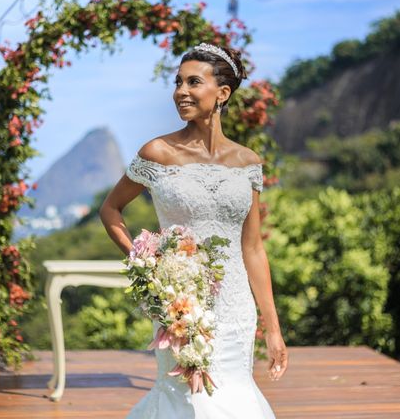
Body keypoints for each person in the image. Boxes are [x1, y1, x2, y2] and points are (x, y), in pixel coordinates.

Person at [100, 42, 288, 418]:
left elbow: (252, 249)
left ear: (222, 94)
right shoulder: (157, 152)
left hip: (236, 308)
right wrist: (147, 264)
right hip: (179, 304)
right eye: (177, 82)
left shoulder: (248, 163)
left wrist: (273, 328)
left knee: (234, 396)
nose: (181, 92)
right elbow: (111, 210)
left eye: (193, 82)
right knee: (185, 402)